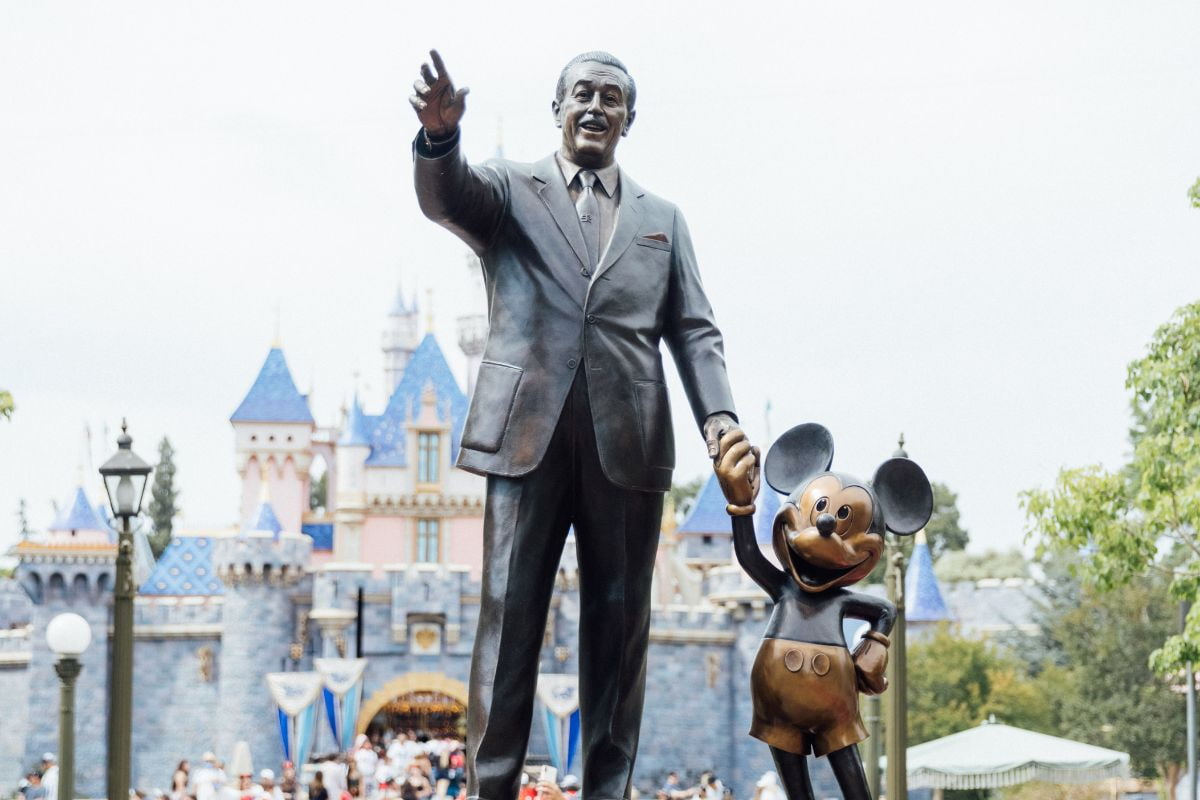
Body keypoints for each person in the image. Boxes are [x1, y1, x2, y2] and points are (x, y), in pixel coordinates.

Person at [410, 49, 744, 800]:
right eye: (582, 94)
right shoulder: (508, 189)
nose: (596, 107)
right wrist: (438, 142)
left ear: (630, 118)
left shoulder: (662, 221)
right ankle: (489, 789)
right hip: (525, 438)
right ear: (556, 107)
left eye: (612, 98)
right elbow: (448, 198)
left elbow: (695, 330)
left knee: (619, 635)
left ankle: (607, 791)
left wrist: (719, 422)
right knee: (508, 624)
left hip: (629, 444)